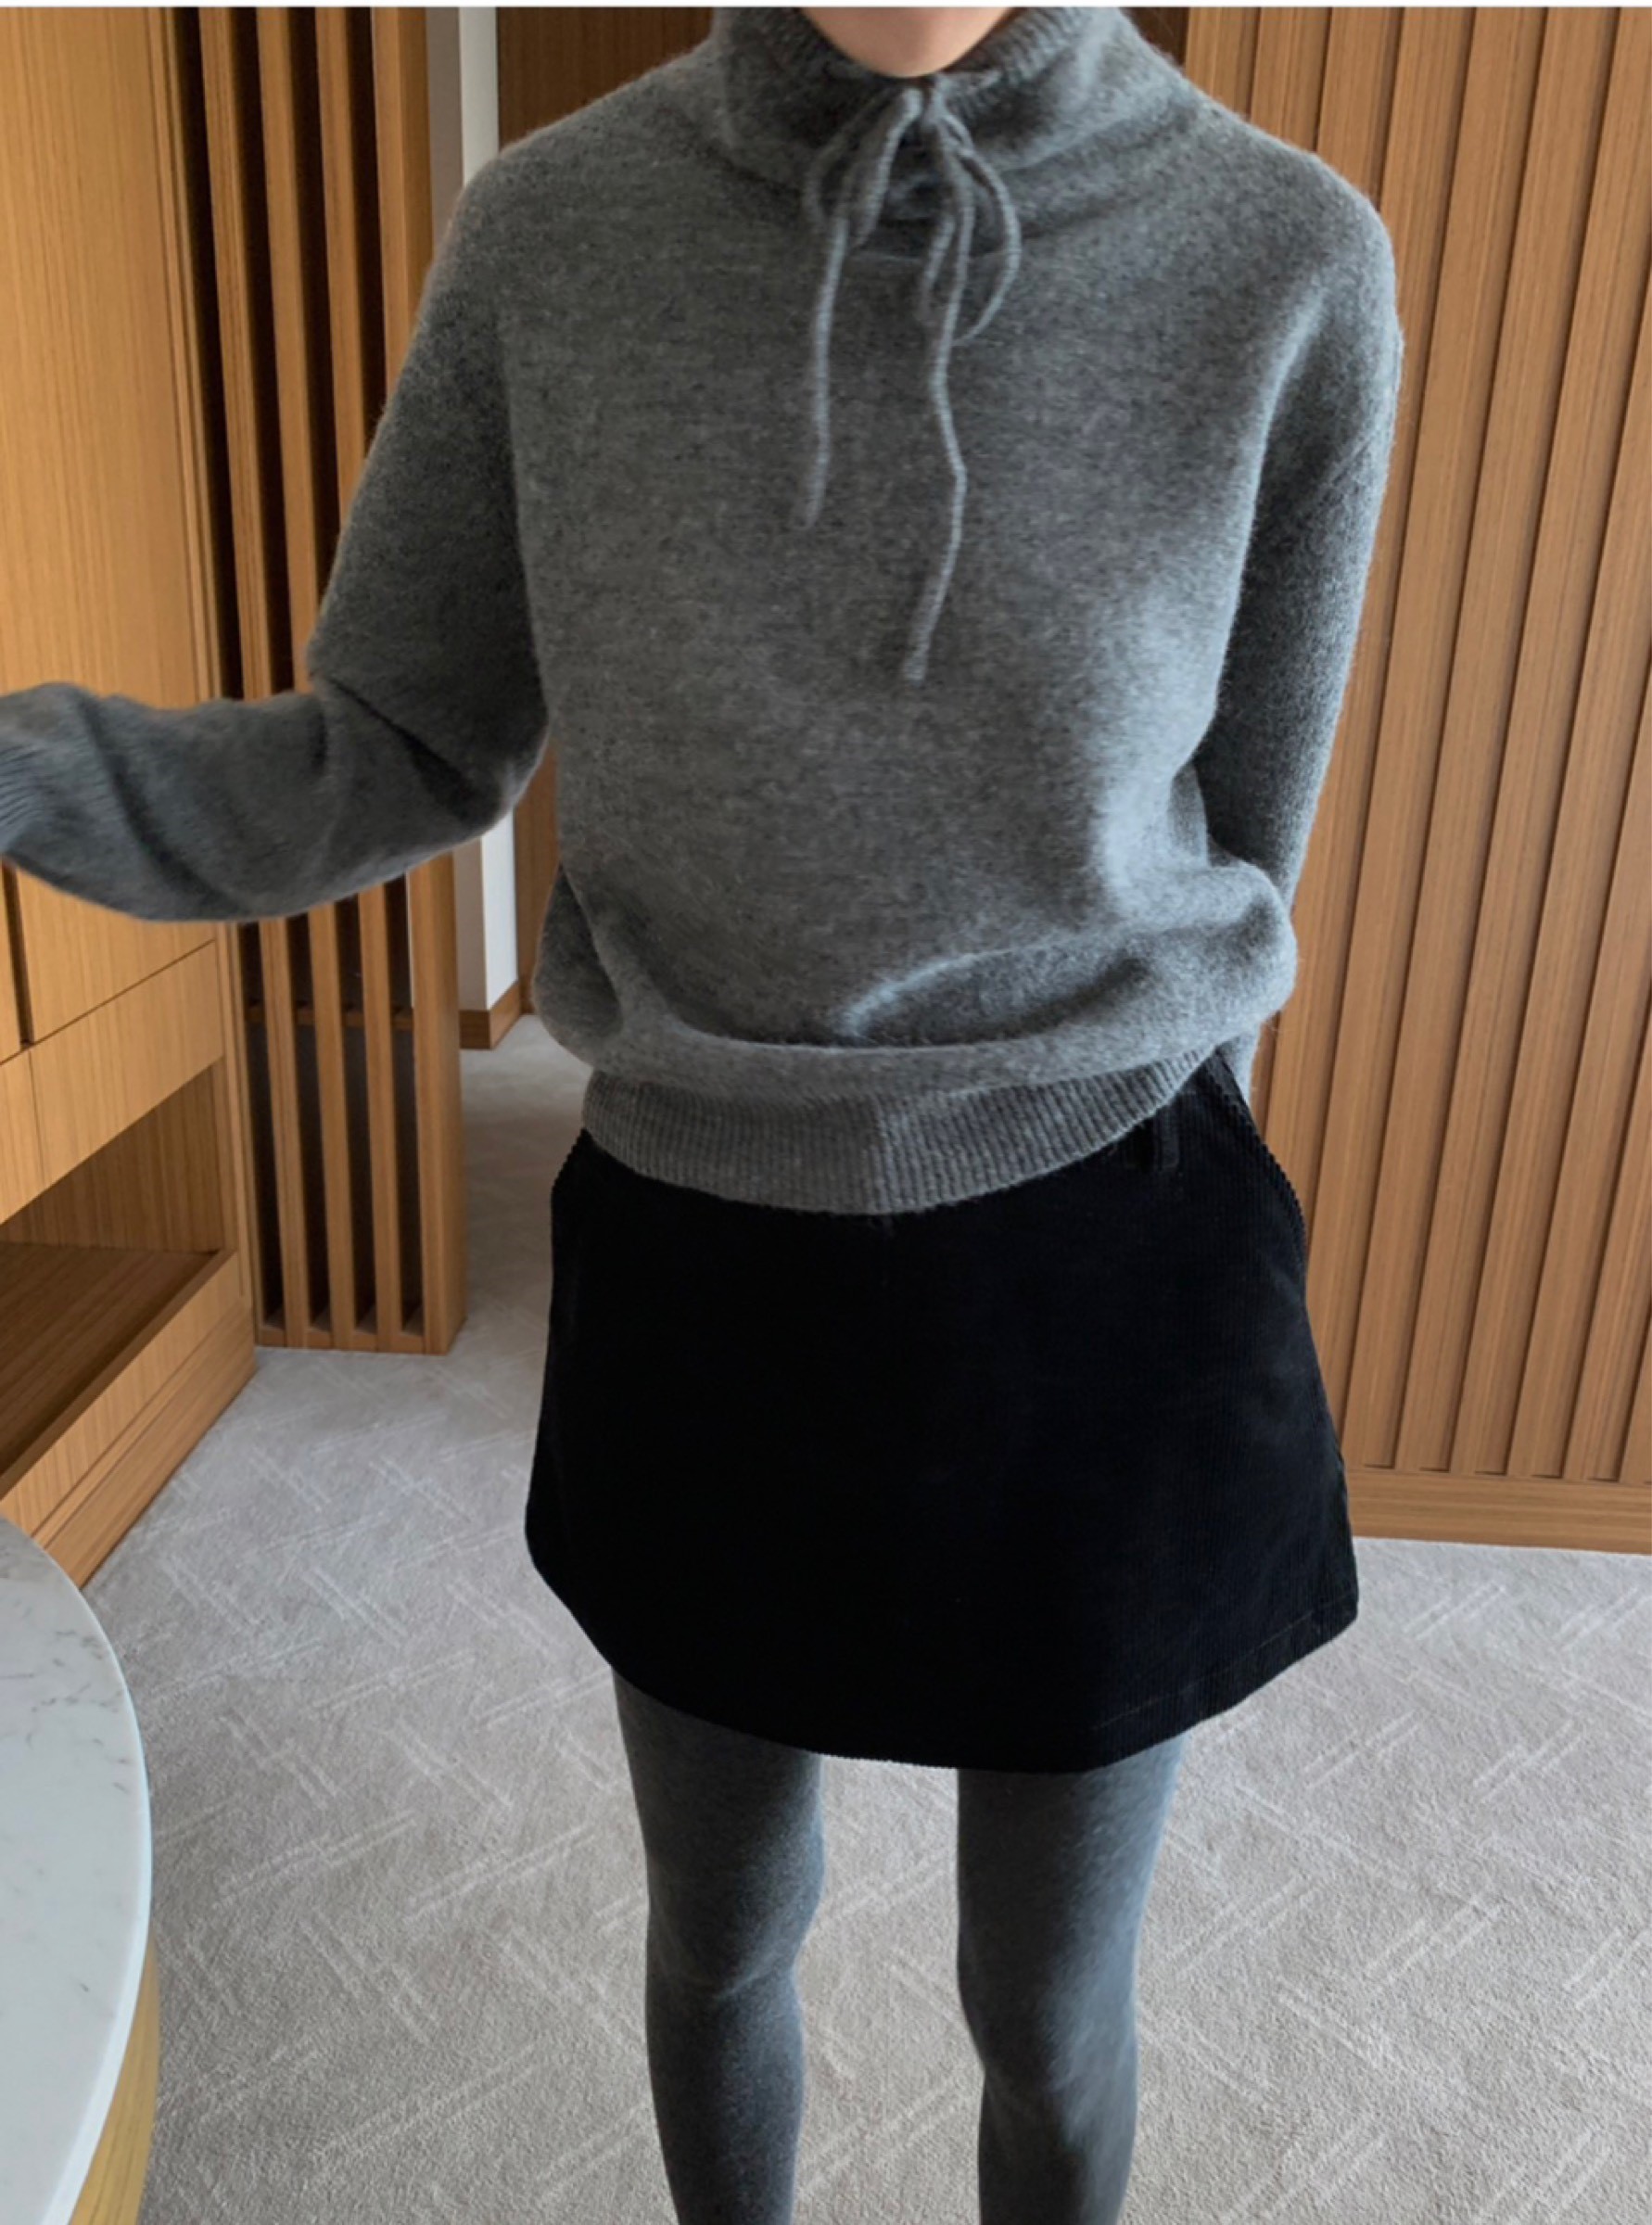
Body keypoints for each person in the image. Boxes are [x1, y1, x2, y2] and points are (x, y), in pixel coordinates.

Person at [0, 8, 1404, 2220]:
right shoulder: (555, 236)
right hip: (708, 1253)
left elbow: (1246, 843)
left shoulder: (1284, 258)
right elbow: (395, 746)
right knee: (724, 1934)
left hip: (1103, 1260)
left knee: (1051, 2009)